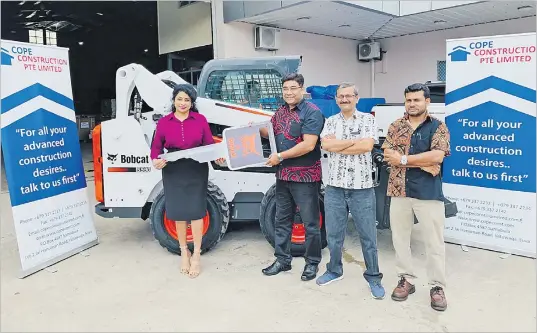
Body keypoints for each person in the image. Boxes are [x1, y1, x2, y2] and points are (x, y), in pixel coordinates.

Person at [381, 83, 451, 311]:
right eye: (408, 100)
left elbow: (437, 156)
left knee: (434, 242)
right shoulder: (395, 126)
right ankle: (406, 280)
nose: (412, 104)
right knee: (400, 239)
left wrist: (403, 160)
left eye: (416, 100)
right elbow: (387, 154)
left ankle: (437, 286)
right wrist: (422, 160)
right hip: (398, 190)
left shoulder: (438, 127)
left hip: (428, 192)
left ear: (427, 102)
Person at [317, 83, 385, 299]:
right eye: (341, 96)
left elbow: (366, 147)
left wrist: (339, 144)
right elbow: (326, 146)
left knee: (368, 236)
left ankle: (373, 277)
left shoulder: (368, 119)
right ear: (336, 99)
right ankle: (334, 270)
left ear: (357, 97)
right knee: (334, 234)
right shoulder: (330, 122)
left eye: (348, 96)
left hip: (362, 188)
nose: (344, 99)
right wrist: (353, 142)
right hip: (335, 187)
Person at [151, 84, 224, 279]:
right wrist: (156, 160)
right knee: (178, 213)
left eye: (187, 100)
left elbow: (209, 145)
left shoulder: (200, 120)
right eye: (179, 99)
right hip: (173, 170)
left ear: (192, 103)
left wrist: (217, 157)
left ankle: (197, 255)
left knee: (197, 212)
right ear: (173, 100)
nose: (183, 103)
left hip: (196, 170)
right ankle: (184, 252)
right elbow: (156, 147)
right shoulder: (164, 122)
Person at [259, 73, 325, 281]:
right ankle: (282, 260)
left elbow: (309, 144)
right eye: (285, 88)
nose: (289, 92)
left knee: (310, 223)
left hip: (305, 176)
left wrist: (279, 156)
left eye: (293, 88)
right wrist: (251, 129)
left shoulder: (312, 112)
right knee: (282, 220)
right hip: (283, 175)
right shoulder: (280, 112)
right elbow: (270, 133)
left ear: (302, 89)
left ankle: (312, 263)